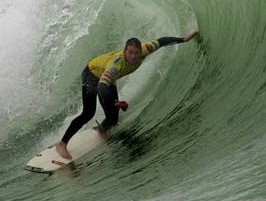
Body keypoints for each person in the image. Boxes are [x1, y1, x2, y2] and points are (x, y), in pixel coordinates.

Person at [56, 31, 199, 160]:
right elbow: (101, 87)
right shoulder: (116, 65)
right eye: (130, 53)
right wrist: (114, 102)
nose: (133, 56)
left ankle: (102, 129)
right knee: (88, 113)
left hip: (108, 79)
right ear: (125, 51)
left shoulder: (145, 50)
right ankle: (62, 144)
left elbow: (161, 42)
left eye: (136, 53)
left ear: (140, 51)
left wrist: (182, 39)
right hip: (92, 75)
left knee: (113, 118)